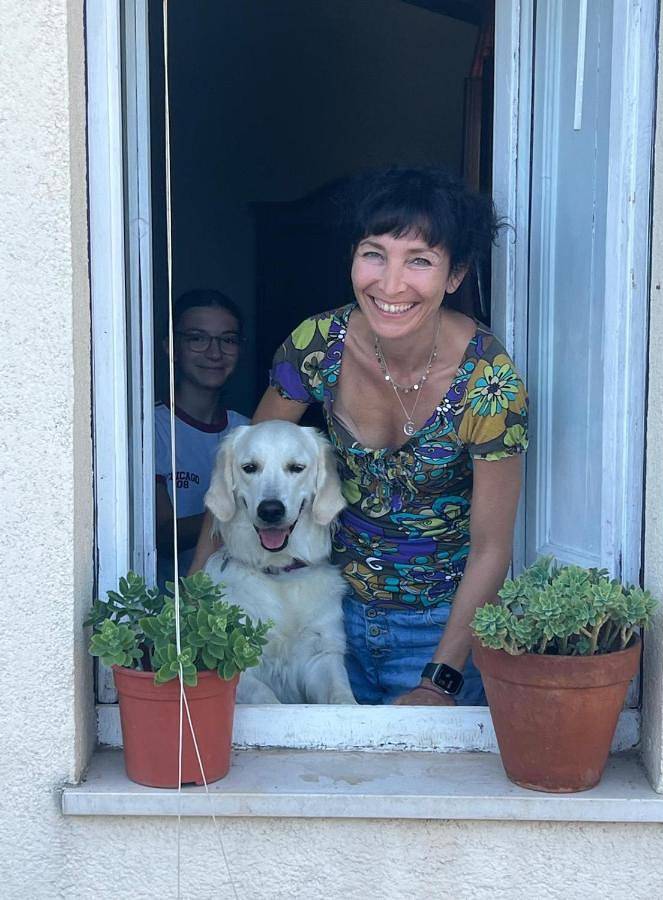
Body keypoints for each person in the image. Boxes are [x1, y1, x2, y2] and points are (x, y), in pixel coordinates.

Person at [190, 167, 528, 706]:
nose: (390, 284)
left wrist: (440, 678)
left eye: (419, 260)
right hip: (329, 616)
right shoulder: (316, 346)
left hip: (441, 632)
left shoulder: (490, 383)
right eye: (374, 253)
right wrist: (195, 609)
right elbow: (241, 472)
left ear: (456, 274)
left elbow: (492, 547)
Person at [155, 289, 249, 586]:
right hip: (168, 605)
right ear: (171, 347)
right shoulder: (148, 430)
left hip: (244, 602)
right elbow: (161, 535)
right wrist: (242, 513)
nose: (214, 353)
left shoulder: (249, 433)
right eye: (197, 338)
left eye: (228, 340)